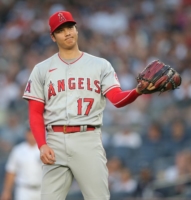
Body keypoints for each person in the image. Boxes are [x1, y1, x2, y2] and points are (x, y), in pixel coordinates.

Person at [22, 11, 144, 200]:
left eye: (70, 27)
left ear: (76, 30)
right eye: (61, 30)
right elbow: (35, 113)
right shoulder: (41, 69)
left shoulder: (100, 65)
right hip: (54, 141)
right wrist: (42, 145)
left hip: (87, 138)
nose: (68, 32)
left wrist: (138, 91)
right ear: (53, 37)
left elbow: (117, 99)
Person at [1, 127, 42, 200]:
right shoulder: (18, 150)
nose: (31, 135)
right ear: (26, 134)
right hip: (23, 189)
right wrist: (7, 191)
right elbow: (11, 172)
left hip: (41, 189)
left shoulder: (43, 149)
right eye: (29, 132)